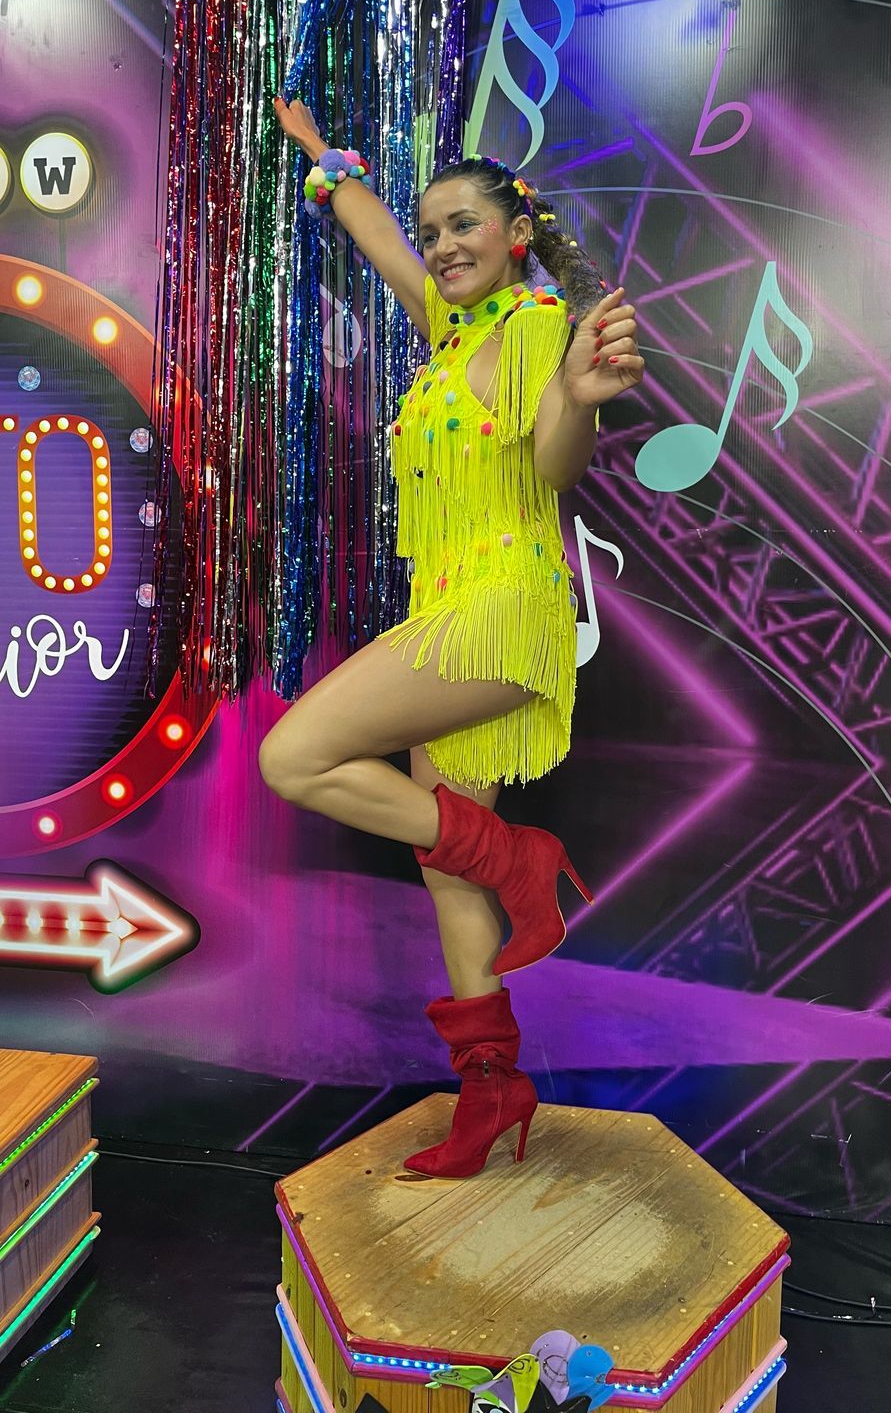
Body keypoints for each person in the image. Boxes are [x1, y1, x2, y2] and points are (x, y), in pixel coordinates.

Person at [260, 97, 644, 1178]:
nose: (440, 246)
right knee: (445, 868)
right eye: (434, 232)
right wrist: (326, 164)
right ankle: (491, 1086)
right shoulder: (452, 326)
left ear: (516, 233)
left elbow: (557, 464)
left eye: (462, 225)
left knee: (294, 757)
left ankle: (524, 861)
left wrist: (581, 396)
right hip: (450, 609)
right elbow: (379, 239)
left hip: (501, 610)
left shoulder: (534, 327)